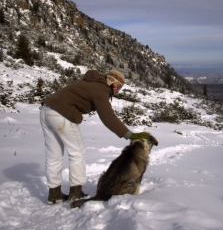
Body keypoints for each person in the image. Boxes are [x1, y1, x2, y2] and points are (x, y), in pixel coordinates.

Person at [40, 69, 150, 204]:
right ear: (113, 81)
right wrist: (129, 135)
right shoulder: (101, 88)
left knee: (54, 156)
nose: (118, 90)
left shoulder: (91, 83)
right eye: (119, 86)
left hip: (46, 111)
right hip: (62, 114)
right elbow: (108, 117)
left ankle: (54, 193)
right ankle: (76, 191)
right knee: (77, 153)